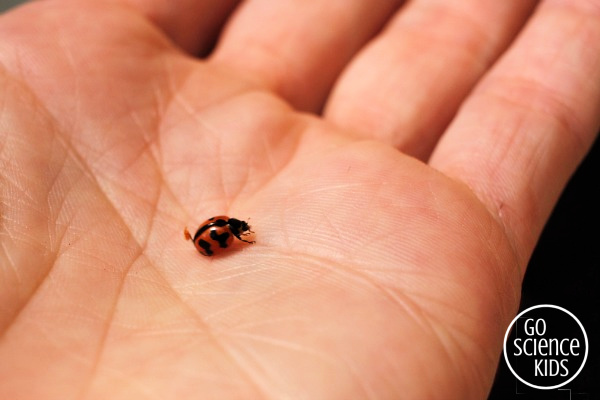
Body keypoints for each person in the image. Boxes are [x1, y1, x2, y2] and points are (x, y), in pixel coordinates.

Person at [0, 1, 598, 398]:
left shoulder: (226, 230)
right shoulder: (223, 233)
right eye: (234, 234)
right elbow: (222, 236)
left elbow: (225, 234)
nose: (235, 235)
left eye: (233, 234)